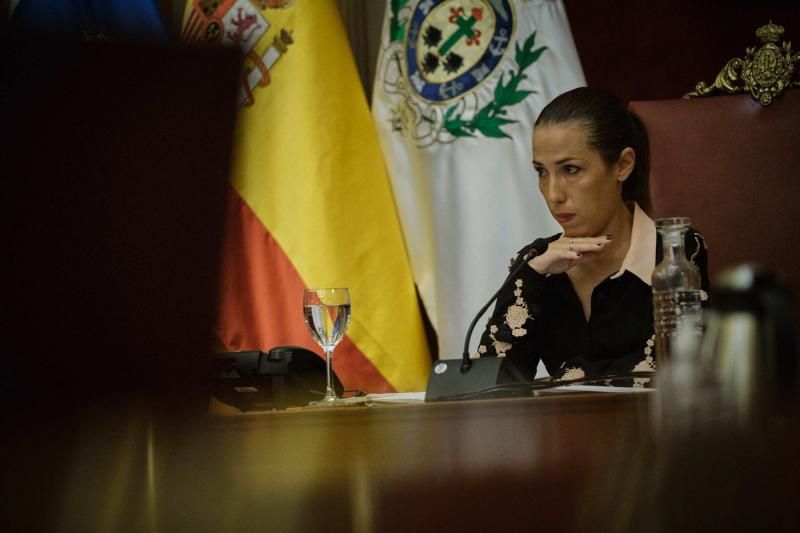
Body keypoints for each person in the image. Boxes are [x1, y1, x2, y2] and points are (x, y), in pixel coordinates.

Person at [476, 87, 709, 384]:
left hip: (657, 429)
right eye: (541, 172)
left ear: (623, 165)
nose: (553, 194)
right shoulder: (538, 261)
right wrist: (529, 278)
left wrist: (559, 379)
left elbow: (670, 369)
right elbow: (487, 386)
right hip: (562, 430)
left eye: (571, 169)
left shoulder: (675, 251)